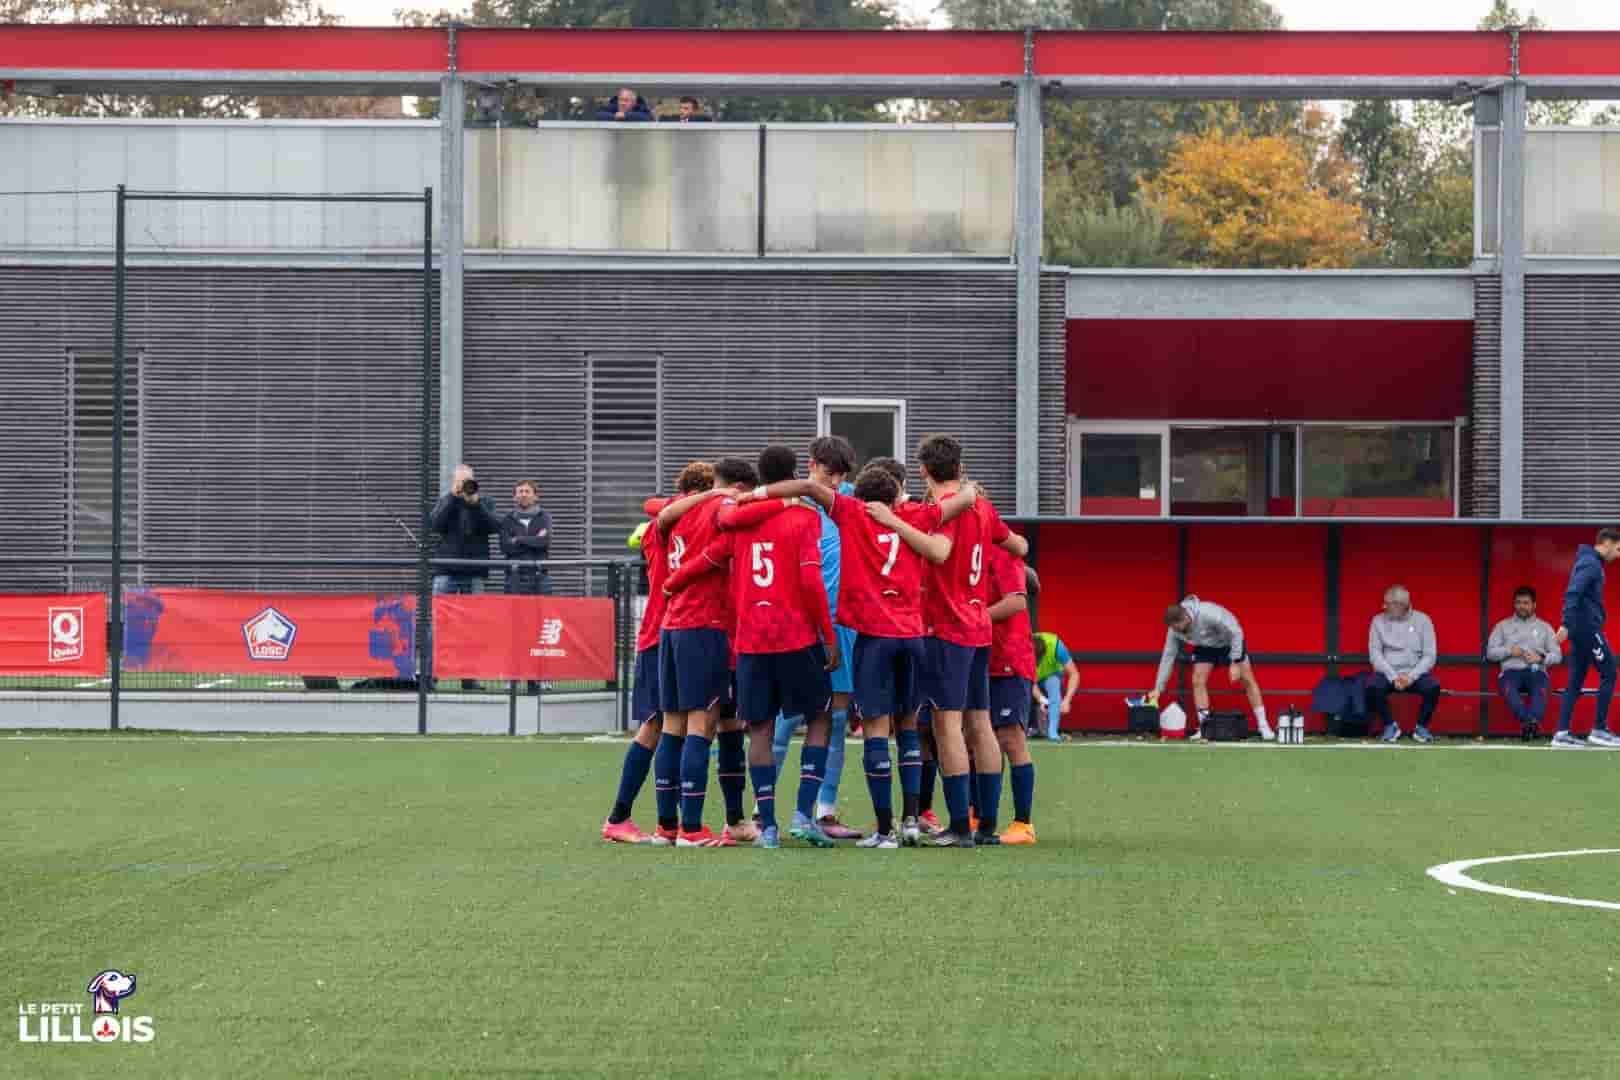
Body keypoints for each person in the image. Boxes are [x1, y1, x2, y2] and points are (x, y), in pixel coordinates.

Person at [740, 461, 976, 847]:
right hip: (913, 635)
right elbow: (960, 502)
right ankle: (911, 820)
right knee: (908, 727)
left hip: (874, 638)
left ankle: (884, 831)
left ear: (862, 498)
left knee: (876, 730)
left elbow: (810, 488)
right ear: (895, 496)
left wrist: (758, 494)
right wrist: (967, 490)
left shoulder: (852, 513)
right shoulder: (915, 514)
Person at [666, 446, 841, 850]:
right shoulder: (804, 516)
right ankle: (804, 814)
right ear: (794, 474)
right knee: (820, 717)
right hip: (796, 636)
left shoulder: (739, 518)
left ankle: (769, 827)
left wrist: (672, 582)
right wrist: (828, 636)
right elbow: (811, 581)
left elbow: (709, 557)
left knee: (759, 729)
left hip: (750, 641)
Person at [913, 434, 1029, 848]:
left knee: (947, 725)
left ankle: (960, 824)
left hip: (947, 628)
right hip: (979, 628)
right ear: (960, 468)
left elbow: (937, 551)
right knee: (980, 722)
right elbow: (1018, 544)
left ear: (923, 470)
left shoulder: (941, 510)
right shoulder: (982, 506)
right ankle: (987, 826)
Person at [601, 461, 714, 844]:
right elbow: (656, 506)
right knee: (657, 726)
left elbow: (654, 505)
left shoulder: (664, 521)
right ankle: (620, 816)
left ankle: (672, 821)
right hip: (664, 631)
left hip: (662, 629)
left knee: (671, 726)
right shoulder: (680, 522)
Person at [657, 456, 758, 847]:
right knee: (702, 724)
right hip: (706, 626)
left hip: (675, 625)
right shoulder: (723, 508)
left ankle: (668, 825)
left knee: (677, 725)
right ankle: (692, 828)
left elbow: (658, 512)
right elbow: (731, 531)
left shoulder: (680, 509)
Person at [764, 436, 862, 841]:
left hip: (843, 624)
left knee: (836, 720)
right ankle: (762, 812)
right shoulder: (786, 501)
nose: (834, 482)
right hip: (799, 624)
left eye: (840, 475)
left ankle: (823, 811)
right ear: (811, 466)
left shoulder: (851, 497)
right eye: (828, 473)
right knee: (786, 718)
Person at [1148, 596, 1273, 742]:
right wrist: (1158, 688)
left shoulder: (1208, 614)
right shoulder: (1174, 630)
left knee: (1247, 679)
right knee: (1197, 680)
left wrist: (1235, 662)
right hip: (1205, 647)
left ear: (1186, 618)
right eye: (1173, 629)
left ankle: (1263, 725)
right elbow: (1168, 656)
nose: (1176, 632)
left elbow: (1236, 632)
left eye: (1177, 628)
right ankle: (1205, 728)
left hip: (1230, 642)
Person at [429, 463, 501, 691]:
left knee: (473, 625)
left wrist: (475, 504)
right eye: (460, 481)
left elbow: (494, 526)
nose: (464, 485)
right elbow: (434, 525)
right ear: (454, 482)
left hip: (474, 571)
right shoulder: (446, 500)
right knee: (438, 624)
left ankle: (469, 678)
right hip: (446, 571)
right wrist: (453, 497)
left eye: (467, 481)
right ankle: (431, 675)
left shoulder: (485, 502)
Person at [987, 541, 1037, 845]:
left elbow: (1019, 599)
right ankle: (980, 816)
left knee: (1010, 738)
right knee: (980, 741)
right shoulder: (966, 548)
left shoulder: (1004, 549)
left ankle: (1023, 823)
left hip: (1009, 659)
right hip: (982, 658)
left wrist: (975, 617)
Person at [1551, 528, 1620, 749]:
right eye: (1618, 549)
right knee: (1609, 672)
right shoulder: (1591, 564)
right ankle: (1599, 730)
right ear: (1606, 543)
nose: (1618, 555)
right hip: (1586, 628)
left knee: (1575, 680)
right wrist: (1566, 623)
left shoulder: (1590, 562)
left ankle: (1561, 734)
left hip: (1581, 628)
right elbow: (1573, 593)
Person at [1486, 585, 1562, 741]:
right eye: (1518, 602)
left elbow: (1557, 655)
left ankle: (1530, 724)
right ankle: (1530, 723)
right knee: (1508, 688)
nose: (1521, 606)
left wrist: (1541, 658)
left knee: (1541, 688)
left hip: (1536, 671)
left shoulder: (1545, 627)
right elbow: (1490, 653)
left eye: (1526, 603)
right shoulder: (1502, 626)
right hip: (1511, 672)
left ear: (1534, 605)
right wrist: (1509, 651)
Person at [1368, 585, 1441, 744]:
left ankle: (1421, 727)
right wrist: (1393, 676)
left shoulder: (1423, 620)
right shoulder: (1377, 621)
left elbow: (1429, 655)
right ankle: (1390, 726)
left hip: (1415, 673)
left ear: (1400, 605)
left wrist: (1410, 677)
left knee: (1433, 686)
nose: (1384, 607)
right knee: (1372, 685)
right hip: (1388, 673)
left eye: (1387, 604)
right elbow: (1375, 654)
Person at [1031, 631, 1079, 742]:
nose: (1037, 664)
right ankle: (1026, 729)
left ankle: (1052, 733)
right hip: (1031, 679)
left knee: (1054, 685)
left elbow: (1074, 674)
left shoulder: (1056, 646)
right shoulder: (1022, 648)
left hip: (1051, 674)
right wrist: (1041, 699)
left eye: (1038, 660)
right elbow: (1030, 682)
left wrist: (1067, 700)